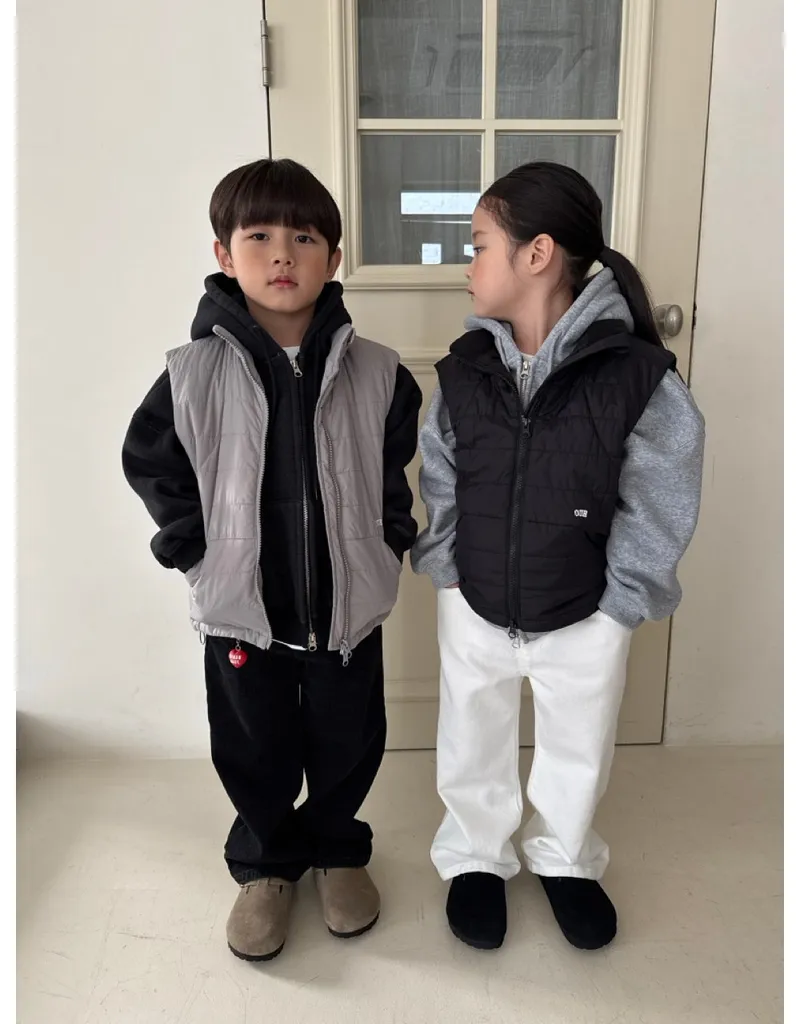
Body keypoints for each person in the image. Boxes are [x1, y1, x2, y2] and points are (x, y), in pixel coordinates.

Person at [123, 158, 422, 962]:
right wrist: (195, 552)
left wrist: (389, 540)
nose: (283, 253)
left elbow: (393, 473)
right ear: (224, 254)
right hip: (244, 612)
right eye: (258, 236)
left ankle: (336, 850)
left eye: (305, 237)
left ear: (334, 257)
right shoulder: (191, 375)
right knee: (253, 744)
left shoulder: (379, 372)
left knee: (348, 739)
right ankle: (265, 864)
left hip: (346, 609)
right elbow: (151, 464)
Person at [412, 162, 705, 952]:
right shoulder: (464, 370)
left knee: (579, 743)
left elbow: (660, 494)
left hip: (586, 609)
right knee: (471, 732)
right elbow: (441, 472)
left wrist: (623, 603)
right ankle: (476, 854)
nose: (468, 266)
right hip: (474, 597)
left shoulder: (635, 376)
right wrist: (445, 568)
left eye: (479, 246)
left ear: (537, 254)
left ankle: (566, 857)